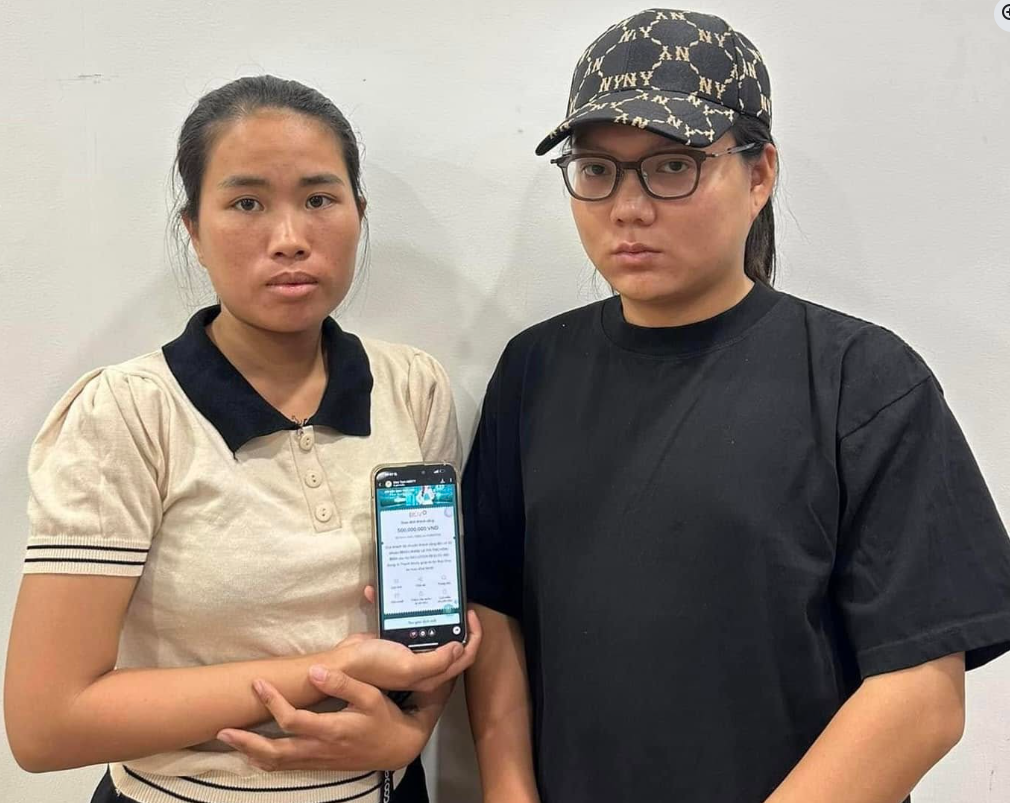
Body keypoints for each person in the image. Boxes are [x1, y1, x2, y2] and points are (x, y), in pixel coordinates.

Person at [462, 9, 1010, 803]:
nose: (628, 206)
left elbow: (922, 692)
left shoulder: (863, 379)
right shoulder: (533, 371)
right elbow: (494, 608)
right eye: (596, 169)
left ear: (759, 175)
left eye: (673, 165)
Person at [4, 75, 481, 803]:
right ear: (194, 230)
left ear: (359, 213)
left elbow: (431, 625)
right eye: (247, 203)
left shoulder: (412, 386)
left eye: (319, 199)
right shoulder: (127, 413)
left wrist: (413, 731)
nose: (290, 239)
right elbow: (46, 724)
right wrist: (329, 671)